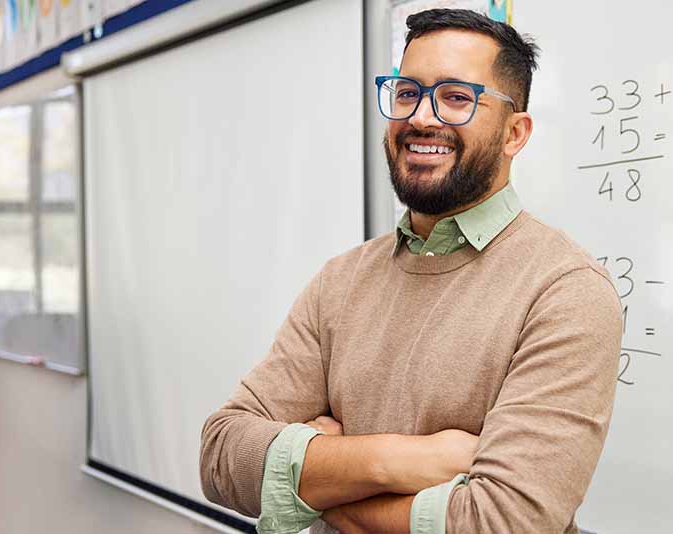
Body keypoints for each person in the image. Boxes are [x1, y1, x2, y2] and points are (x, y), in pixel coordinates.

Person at [200, 8, 623, 534]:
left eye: (457, 97)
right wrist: (397, 460)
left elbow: (502, 522)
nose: (422, 118)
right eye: (407, 92)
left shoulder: (565, 291)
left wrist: (314, 485)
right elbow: (221, 457)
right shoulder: (341, 280)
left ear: (515, 133)